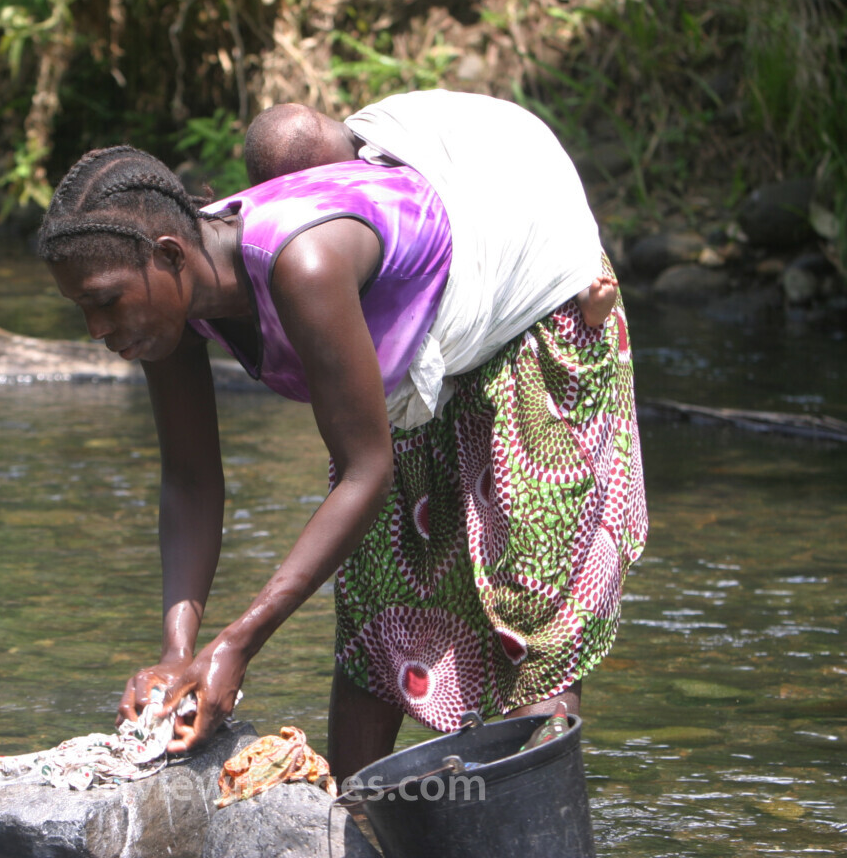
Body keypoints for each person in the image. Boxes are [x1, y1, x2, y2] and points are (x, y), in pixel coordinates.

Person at [36, 109, 646, 780]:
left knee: (528, 610)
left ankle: (530, 829)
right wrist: (179, 652)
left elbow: (365, 471)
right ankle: (353, 823)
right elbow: (189, 478)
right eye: (83, 310)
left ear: (172, 257)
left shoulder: (305, 265)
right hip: (416, 333)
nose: (97, 328)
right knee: (377, 599)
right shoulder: (158, 297)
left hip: (530, 283)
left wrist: (237, 645)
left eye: (105, 302)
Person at [243, 97, 619, 330]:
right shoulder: (375, 136)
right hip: (519, 178)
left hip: (537, 202)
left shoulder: (387, 148)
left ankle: (582, 294)